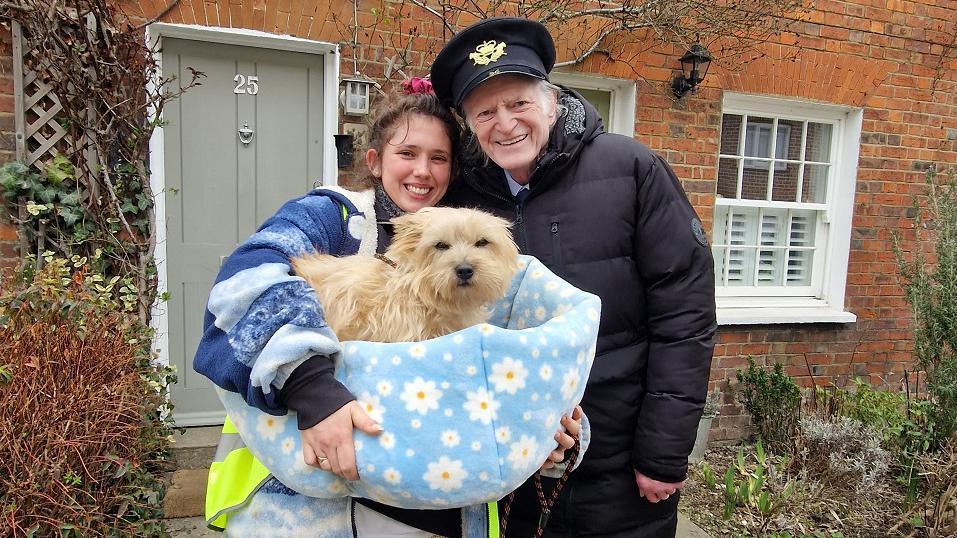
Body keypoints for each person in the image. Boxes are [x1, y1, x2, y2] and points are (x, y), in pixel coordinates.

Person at [194, 84, 585, 536]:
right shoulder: (332, 217)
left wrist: (548, 431)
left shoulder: (481, 247)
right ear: (375, 161)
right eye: (408, 153)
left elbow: (514, 372)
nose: (423, 171)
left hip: (446, 513)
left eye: (438, 158)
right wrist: (310, 388)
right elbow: (244, 281)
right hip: (310, 508)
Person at [431, 17, 717, 537]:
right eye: (485, 112)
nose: (505, 123)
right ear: (469, 123)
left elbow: (685, 314)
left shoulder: (632, 169)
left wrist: (664, 452)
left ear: (551, 100)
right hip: (507, 465)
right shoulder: (460, 202)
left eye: (518, 103)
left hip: (621, 467)